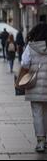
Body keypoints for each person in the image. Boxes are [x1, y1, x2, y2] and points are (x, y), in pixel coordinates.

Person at [18, 23, 47, 153]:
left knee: (37, 114)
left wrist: (19, 80)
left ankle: (41, 142)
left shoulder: (30, 48)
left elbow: (25, 65)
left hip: (35, 86)